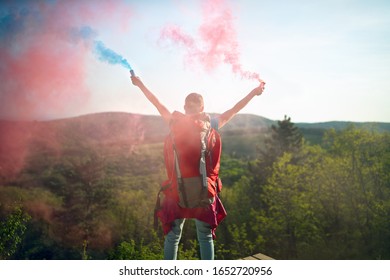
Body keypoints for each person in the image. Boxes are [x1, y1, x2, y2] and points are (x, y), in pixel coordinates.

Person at [131, 74, 266, 260]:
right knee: (205, 237)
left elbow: (156, 102)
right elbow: (234, 109)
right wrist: (254, 92)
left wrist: (139, 84)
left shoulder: (173, 123)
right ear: (202, 108)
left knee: (172, 237)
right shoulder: (210, 125)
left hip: (177, 191)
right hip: (205, 191)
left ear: (185, 107)